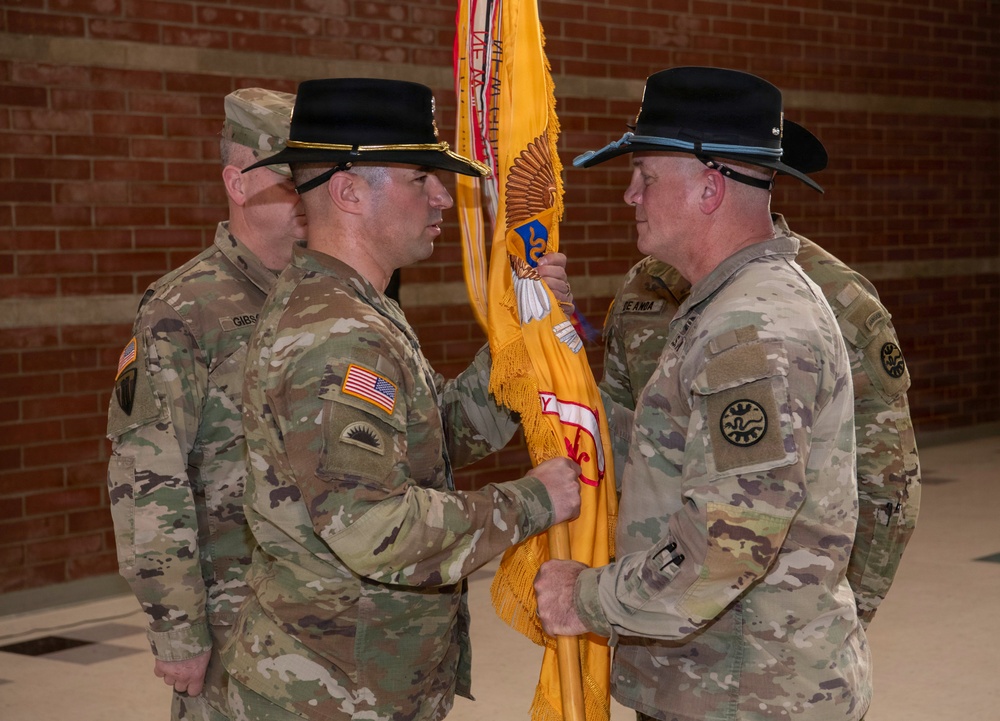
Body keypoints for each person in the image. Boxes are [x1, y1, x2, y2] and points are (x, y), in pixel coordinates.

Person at [221, 78, 582, 721]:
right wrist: (531, 501)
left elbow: (432, 438)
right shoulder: (338, 335)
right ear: (350, 190)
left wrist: (529, 344)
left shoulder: (355, 309)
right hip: (328, 694)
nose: (444, 197)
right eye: (422, 177)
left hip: (358, 678)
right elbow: (373, 526)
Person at [535, 66, 872, 720]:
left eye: (647, 177)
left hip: (745, 695)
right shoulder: (724, 310)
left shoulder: (751, 332)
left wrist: (587, 599)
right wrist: (552, 353)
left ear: (710, 189)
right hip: (719, 682)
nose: (630, 195)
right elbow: (668, 452)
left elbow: (727, 544)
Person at [601, 214, 920, 628]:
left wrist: (849, 611)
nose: (632, 196)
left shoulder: (829, 293)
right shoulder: (642, 288)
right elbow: (618, 447)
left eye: (648, 175)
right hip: (656, 600)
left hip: (777, 623)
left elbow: (890, 482)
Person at [106, 88, 304, 720]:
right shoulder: (185, 308)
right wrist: (177, 631)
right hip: (232, 620)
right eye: (289, 175)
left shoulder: (332, 294)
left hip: (320, 612)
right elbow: (148, 475)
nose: (311, 191)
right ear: (236, 183)